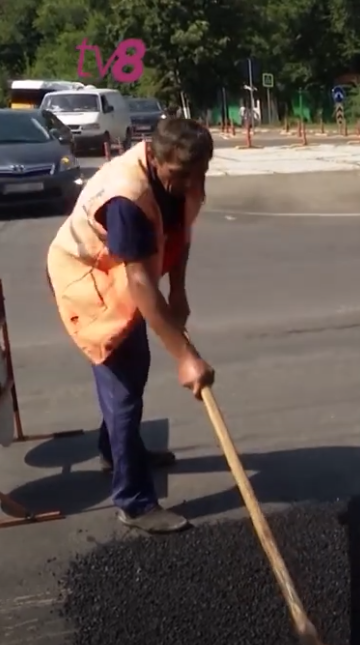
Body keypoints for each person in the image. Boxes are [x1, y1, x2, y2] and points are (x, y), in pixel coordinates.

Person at [45, 118, 216, 533]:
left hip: (126, 273)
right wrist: (186, 357)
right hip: (89, 281)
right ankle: (134, 501)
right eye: (180, 176)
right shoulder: (127, 196)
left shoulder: (185, 179)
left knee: (132, 374)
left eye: (199, 175)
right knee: (123, 386)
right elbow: (138, 282)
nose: (191, 184)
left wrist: (178, 291)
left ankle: (118, 451)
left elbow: (180, 232)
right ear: (154, 159)